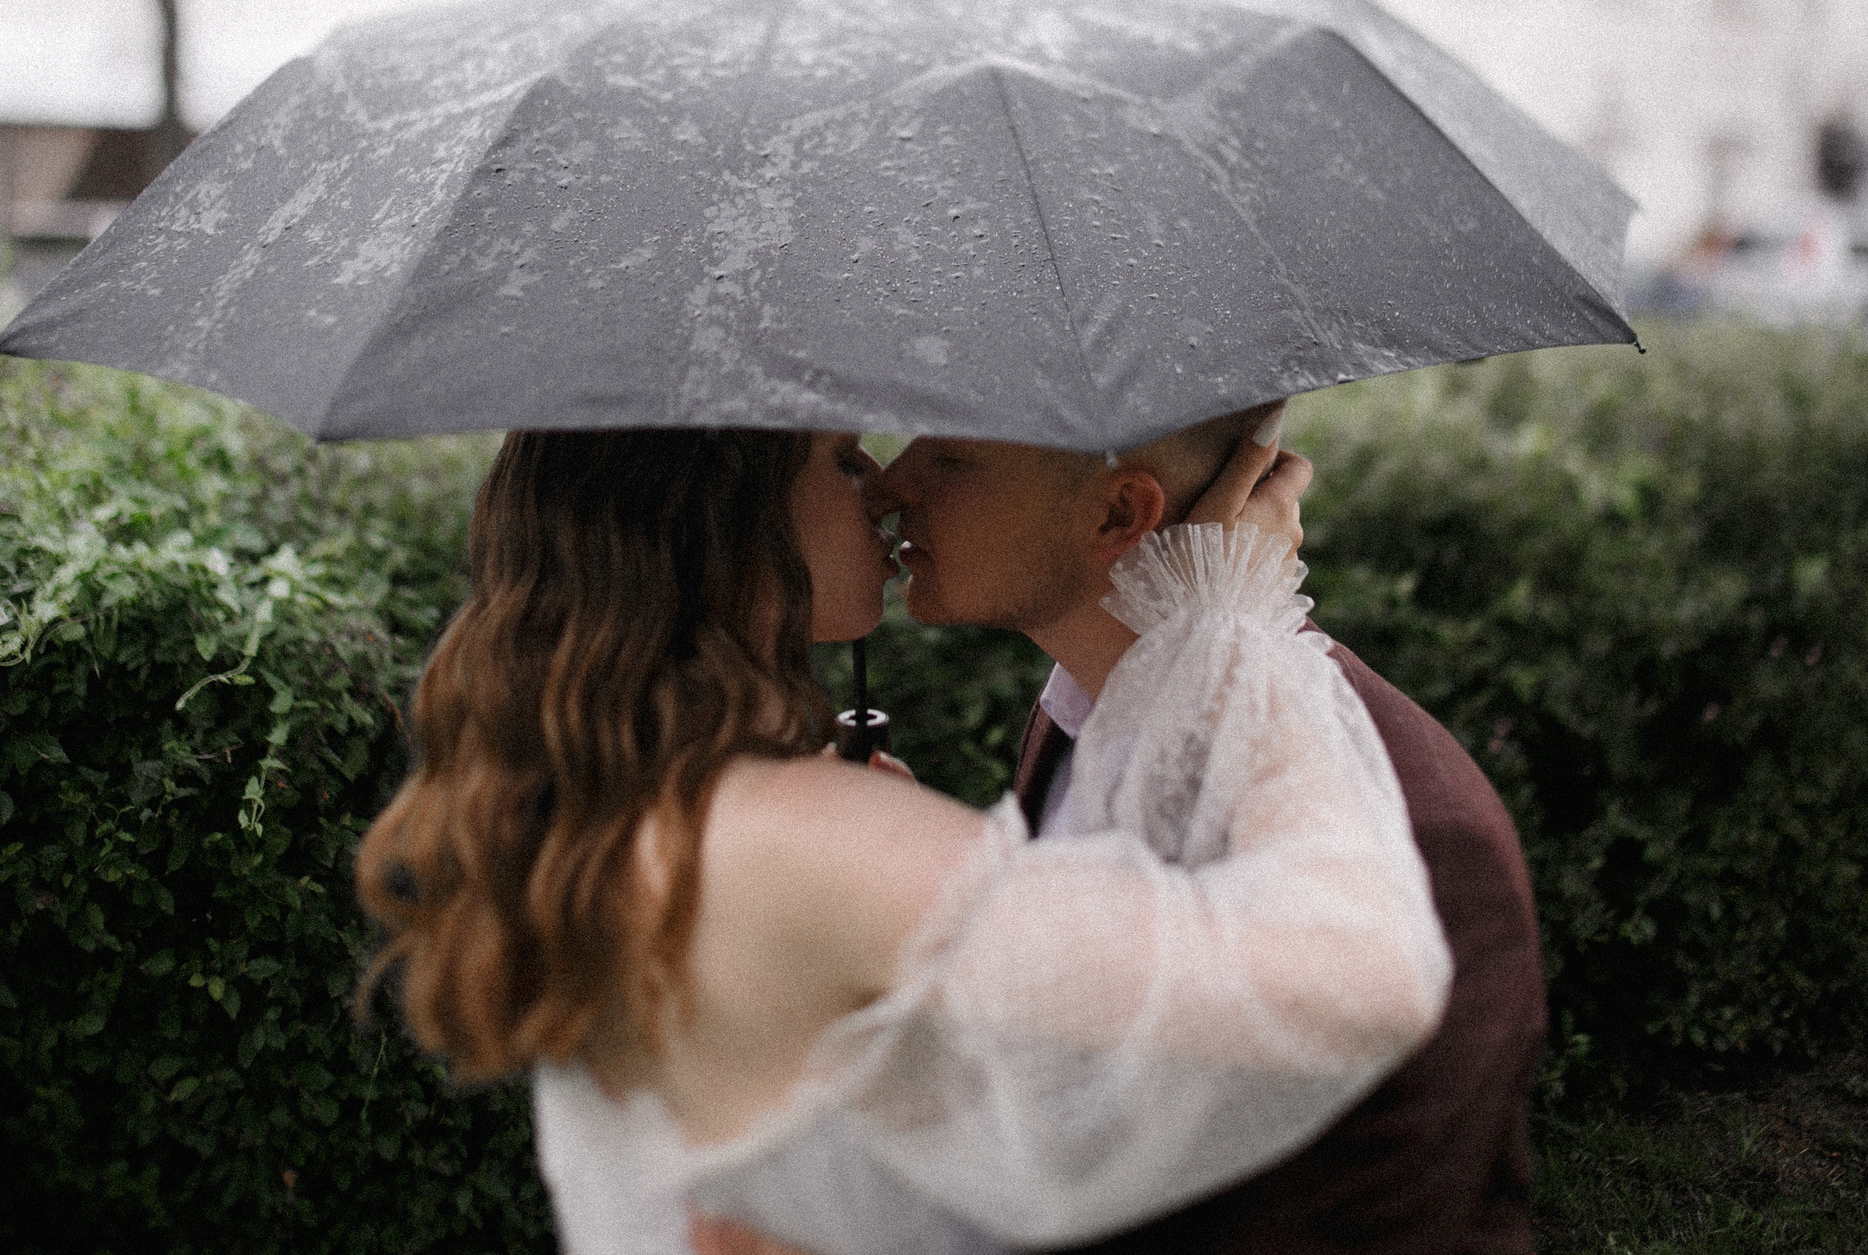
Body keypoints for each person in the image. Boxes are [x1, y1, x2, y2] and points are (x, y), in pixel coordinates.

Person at [356, 425, 1451, 1255]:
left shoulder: (631, 805)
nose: (881, 484)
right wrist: (1233, 616)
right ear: (726, 522)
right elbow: (1367, 975)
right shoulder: (794, 835)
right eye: (836, 460)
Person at [864, 415, 1550, 1255]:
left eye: (950, 457)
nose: (889, 484)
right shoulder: (1087, 711)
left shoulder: (1410, 835)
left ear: (1119, 515)